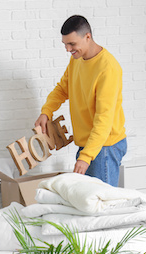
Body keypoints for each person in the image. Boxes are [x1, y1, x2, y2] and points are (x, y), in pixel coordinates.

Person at [35, 15, 127, 187]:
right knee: (86, 203)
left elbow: (104, 119)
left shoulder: (107, 69)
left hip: (105, 146)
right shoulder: (76, 60)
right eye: (65, 44)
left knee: (101, 205)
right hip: (88, 145)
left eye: (72, 44)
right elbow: (63, 88)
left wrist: (86, 157)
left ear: (87, 37)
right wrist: (46, 112)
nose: (68, 49)